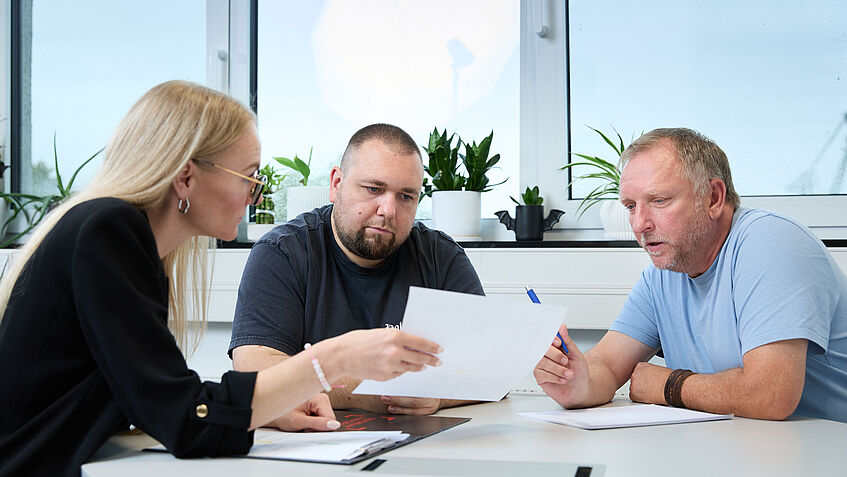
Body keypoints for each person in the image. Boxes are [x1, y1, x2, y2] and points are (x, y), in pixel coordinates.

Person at [0, 81, 443, 477]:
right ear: (186, 176)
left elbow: (160, 399)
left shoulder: (127, 242)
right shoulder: (109, 232)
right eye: (248, 177)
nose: (254, 196)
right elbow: (186, 419)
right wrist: (334, 359)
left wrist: (269, 405)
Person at [534, 127, 847, 422]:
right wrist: (572, 379)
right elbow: (606, 364)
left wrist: (668, 385)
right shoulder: (665, 272)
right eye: (630, 206)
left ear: (713, 198)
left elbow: (771, 394)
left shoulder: (771, 242)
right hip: (744, 445)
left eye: (659, 201)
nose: (640, 224)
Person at [230, 123, 484, 419]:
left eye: (406, 196)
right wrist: (381, 392)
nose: (388, 210)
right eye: (374, 189)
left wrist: (439, 396)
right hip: (316, 440)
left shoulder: (442, 256)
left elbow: (493, 367)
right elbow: (255, 373)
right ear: (336, 183)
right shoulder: (282, 252)